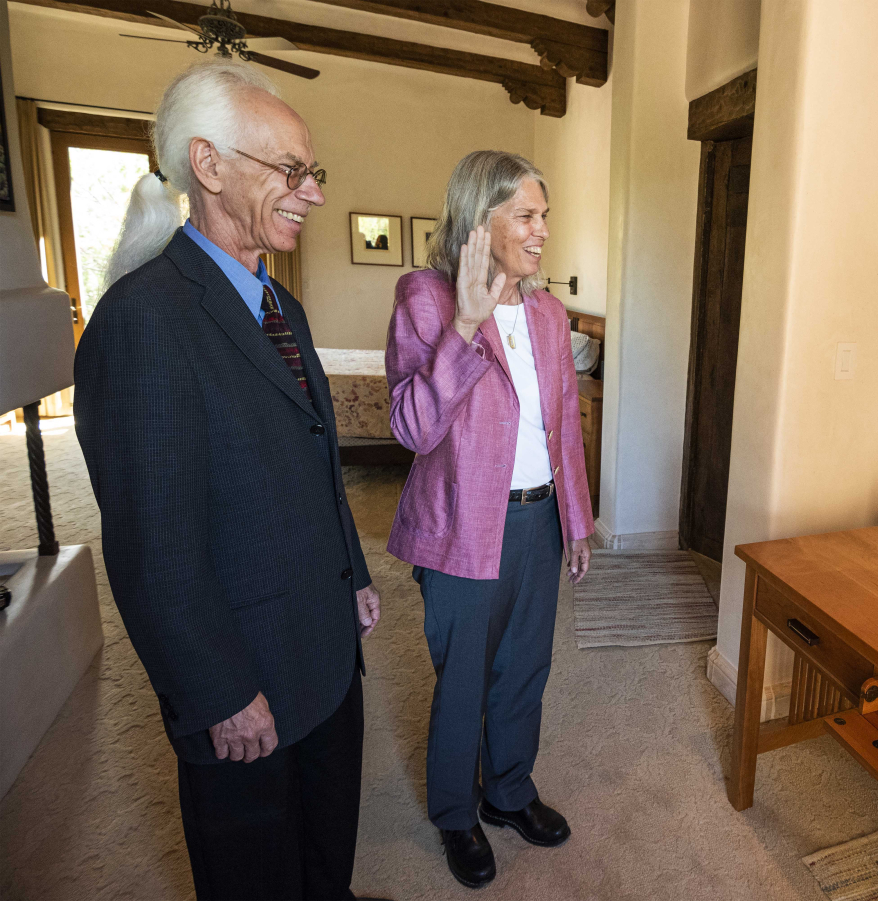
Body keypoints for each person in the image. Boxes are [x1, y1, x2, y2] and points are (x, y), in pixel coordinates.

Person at [75, 62, 383, 900]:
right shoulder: (144, 319)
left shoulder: (281, 306)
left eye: (312, 171)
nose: (310, 192)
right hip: (249, 685)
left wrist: (352, 573)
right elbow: (150, 548)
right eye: (291, 170)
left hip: (323, 654)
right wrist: (218, 691)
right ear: (208, 166)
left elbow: (316, 459)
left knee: (329, 851)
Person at [385, 150, 594, 889]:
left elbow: (563, 425)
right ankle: (455, 813)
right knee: (464, 679)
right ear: (483, 219)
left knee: (525, 671)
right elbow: (411, 427)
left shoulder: (547, 313)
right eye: (527, 216)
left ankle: (508, 792)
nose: (542, 232)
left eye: (545, 216)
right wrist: (468, 322)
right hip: (460, 527)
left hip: (537, 523)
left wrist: (576, 521)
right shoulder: (426, 299)